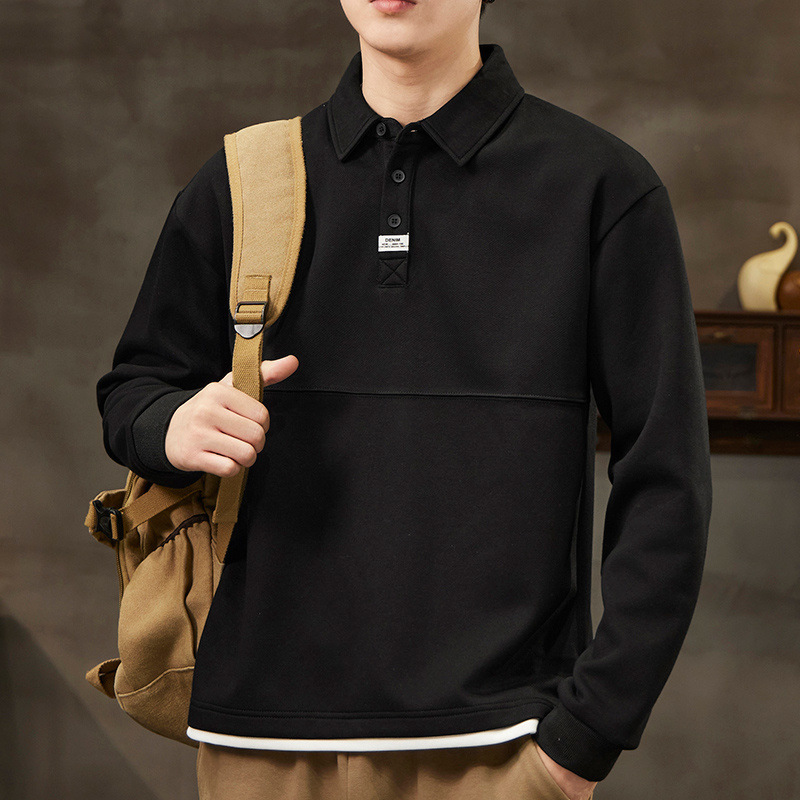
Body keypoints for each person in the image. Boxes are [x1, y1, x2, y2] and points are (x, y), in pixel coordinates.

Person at [95, 0, 712, 798]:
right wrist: (173, 426)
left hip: (501, 749)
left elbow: (666, 477)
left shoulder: (601, 186)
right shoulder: (244, 181)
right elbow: (134, 391)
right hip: (259, 746)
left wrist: (585, 737)